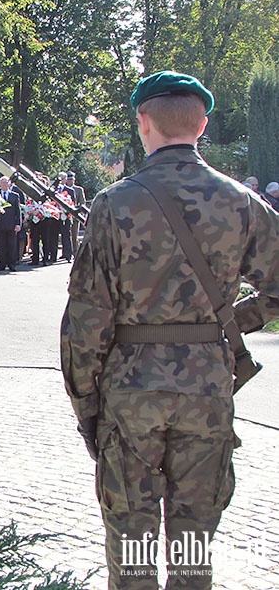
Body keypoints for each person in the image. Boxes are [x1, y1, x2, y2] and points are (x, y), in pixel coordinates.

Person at [61, 71, 279, 588]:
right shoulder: (241, 203)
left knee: (133, 544)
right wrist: (228, 324)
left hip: (130, 396)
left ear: (143, 123)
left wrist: (85, 406)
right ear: (202, 124)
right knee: (191, 545)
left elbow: (87, 320)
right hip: (206, 392)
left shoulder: (115, 203)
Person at [0, 176, 22, 272]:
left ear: (9, 184)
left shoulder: (15, 195)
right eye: (2, 182)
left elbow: (18, 211)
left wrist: (18, 224)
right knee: (1, 245)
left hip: (11, 224)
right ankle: (1, 264)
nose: (5, 184)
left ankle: (12, 264)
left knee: (12, 245)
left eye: (6, 182)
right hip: (0, 224)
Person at [63, 171, 86, 256]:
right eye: (69, 180)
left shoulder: (78, 189)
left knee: (74, 235)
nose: (70, 181)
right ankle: (66, 252)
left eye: (72, 179)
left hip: (75, 215)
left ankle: (75, 252)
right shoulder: (63, 189)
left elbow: (82, 202)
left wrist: (78, 210)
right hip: (65, 215)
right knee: (65, 235)